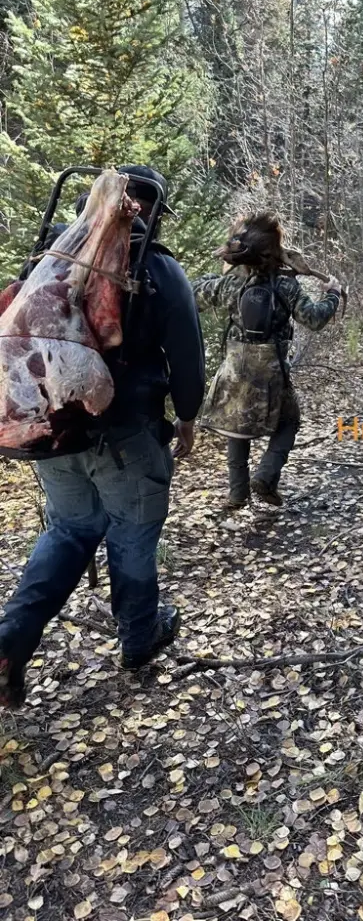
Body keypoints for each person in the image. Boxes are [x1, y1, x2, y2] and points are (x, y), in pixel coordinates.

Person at [0, 165, 205, 709]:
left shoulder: (50, 257)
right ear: (149, 211)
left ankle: (9, 640)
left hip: (55, 432)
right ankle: (138, 640)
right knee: (131, 535)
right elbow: (187, 354)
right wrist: (187, 417)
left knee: (68, 531)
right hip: (126, 434)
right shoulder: (156, 267)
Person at [192, 212, 341, 509]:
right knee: (289, 422)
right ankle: (265, 476)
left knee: (237, 427)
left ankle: (237, 493)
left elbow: (193, 294)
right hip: (272, 373)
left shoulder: (231, 285)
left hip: (235, 371)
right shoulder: (286, 286)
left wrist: (218, 276)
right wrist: (333, 294)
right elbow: (314, 318)